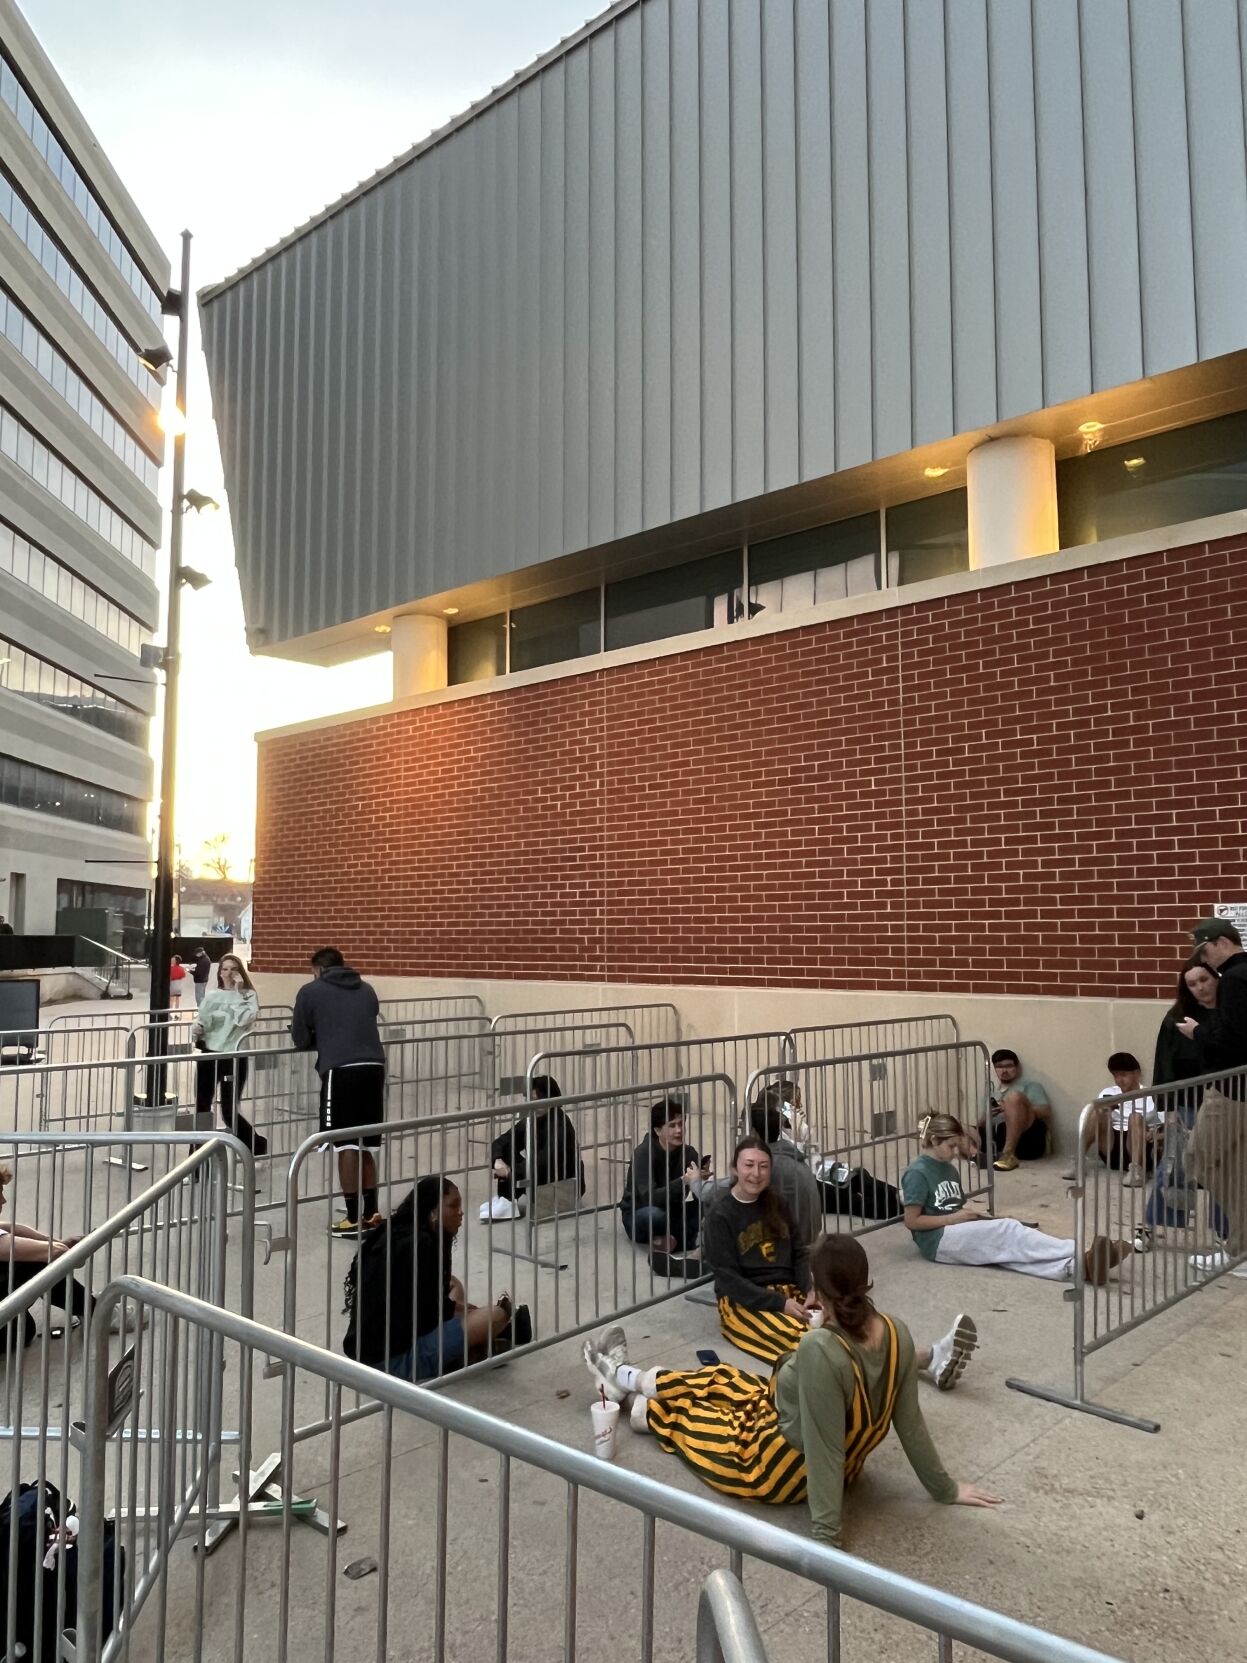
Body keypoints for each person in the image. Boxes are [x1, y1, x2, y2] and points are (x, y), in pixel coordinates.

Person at [581, 1234, 998, 1550]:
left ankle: (633, 1401)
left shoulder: (821, 1349)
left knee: (692, 1420)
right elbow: (909, 1421)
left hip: (778, 1465)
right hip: (810, 1439)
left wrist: (826, 1539)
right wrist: (944, 1488)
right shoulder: (896, 1331)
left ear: (818, 1288)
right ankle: (624, 1377)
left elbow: (824, 1448)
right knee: (723, 1377)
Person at [902, 1114, 1130, 1284]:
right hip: (937, 1240)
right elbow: (912, 1221)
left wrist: (971, 1217)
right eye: (951, 1146)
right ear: (933, 1141)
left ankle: (1077, 1269)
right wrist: (955, 1219)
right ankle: (1080, 1251)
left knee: (1004, 1251)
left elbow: (953, 1204)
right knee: (1007, 1230)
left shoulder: (948, 1169)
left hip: (955, 1228)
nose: (955, 1152)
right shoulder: (917, 1172)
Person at [343, 1176, 529, 1379]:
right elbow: (425, 1313)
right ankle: (481, 1344)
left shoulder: (403, 1231)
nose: (461, 1212)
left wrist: (456, 1309)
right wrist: (460, 1311)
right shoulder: (419, 1244)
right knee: (496, 1315)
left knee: (453, 1283)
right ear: (432, 1211)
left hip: (376, 1348)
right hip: (392, 1360)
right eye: (453, 1206)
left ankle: (478, 1346)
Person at [291, 946, 386, 1238]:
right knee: (364, 1143)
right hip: (374, 1066)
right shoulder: (367, 989)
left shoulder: (311, 991)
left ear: (318, 969)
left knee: (344, 1144)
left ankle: (354, 1218)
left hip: (340, 1069)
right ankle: (371, 1213)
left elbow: (300, 1036)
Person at [1138, 957, 1226, 1253]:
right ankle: (1149, 1225)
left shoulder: (1232, 1011)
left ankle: (1224, 1232)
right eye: (1192, 983)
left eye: (1204, 980)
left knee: (1222, 1167)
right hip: (1187, 1102)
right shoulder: (1177, 1017)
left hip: (1227, 1101)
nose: (1200, 988)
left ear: (1216, 977)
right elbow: (1165, 1064)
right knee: (1175, 1164)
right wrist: (1169, 1107)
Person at [700, 1135, 813, 1364]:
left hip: (787, 1289)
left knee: (838, 1324)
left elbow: (799, 1252)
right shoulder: (720, 1215)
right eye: (749, 1165)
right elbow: (728, 1279)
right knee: (806, 1341)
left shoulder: (778, 1203)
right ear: (735, 1169)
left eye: (763, 1166)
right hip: (743, 1300)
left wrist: (810, 1289)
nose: (756, 1173)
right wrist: (780, 1304)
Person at [1178, 919, 1247, 1275]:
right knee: (1236, 1167)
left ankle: (1242, 1246)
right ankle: (1239, 1246)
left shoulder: (1234, 979)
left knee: (1199, 1159)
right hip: (1240, 1091)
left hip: (1233, 1092)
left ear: (1221, 943)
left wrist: (1198, 1032)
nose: (1205, 959)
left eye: (1205, 951)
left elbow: (1233, 1039)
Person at [481, 1074, 585, 1222]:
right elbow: (503, 1141)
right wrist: (497, 1161)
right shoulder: (532, 1120)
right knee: (507, 1151)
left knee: (527, 1166)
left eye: (538, 1102)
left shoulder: (559, 1124)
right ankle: (506, 1200)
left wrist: (510, 1172)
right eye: (531, 1101)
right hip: (543, 1175)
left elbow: (545, 1162)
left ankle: (507, 1199)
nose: (533, 1106)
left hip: (563, 1181)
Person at [192, 953, 265, 1154]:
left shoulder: (248, 995)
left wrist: (237, 992)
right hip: (209, 1052)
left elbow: (243, 1020)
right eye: (225, 969)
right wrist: (196, 1027)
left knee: (228, 1110)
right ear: (219, 972)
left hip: (233, 1055)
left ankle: (256, 1144)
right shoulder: (213, 994)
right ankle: (197, 1155)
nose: (229, 973)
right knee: (202, 1105)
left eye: (234, 969)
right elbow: (202, 1018)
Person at [619, 1098, 712, 1256]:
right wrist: (683, 1181)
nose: (679, 1130)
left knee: (710, 1203)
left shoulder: (689, 1153)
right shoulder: (643, 1154)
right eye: (672, 1126)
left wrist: (699, 1180)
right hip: (640, 1211)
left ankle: (672, 1241)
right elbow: (651, 1198)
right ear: (657, 1130)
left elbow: (694, 1195)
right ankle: (686, 1240)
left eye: (681, 1124)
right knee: (656, 1216)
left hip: (675, 1210)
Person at [1061, 1053, 1159, 1188]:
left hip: (1139, 1145)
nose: (1119, 1080)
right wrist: (1106, 1109)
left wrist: (1153, 1134)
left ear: (1136, 1073)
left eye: (1123, 1075)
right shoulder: (1109, 1092)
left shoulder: (1149, 1096)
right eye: (1115, 1075)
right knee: (1097, 1112)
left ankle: (1136, 1171)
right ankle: (1078, 1162)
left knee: (1135, 1117)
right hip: (1112, 1146)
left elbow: (1161, 1126)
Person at [749, 1102, 821, 1244]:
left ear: (753, 1133)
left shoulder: (766, 1162)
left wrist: (696, 1181)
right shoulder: (785, 1150)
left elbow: (724, 1191)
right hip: (808, 1233)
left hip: (794, 1243)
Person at [978, 1049, 1052, 1172]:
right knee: (958, 1125)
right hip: (995, 1139)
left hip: (1026, 1140)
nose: (1004, 1070)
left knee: (1014, 1097)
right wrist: (988, 1116)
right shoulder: (990, 1093)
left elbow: (1046, 1112)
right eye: (999, 1067)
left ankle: (1008, 1153)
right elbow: (980, 1123)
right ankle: (976, 1154)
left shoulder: (1030, 1086)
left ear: (1016, 1068)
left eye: (1008, 1066)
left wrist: (1010, 1107)